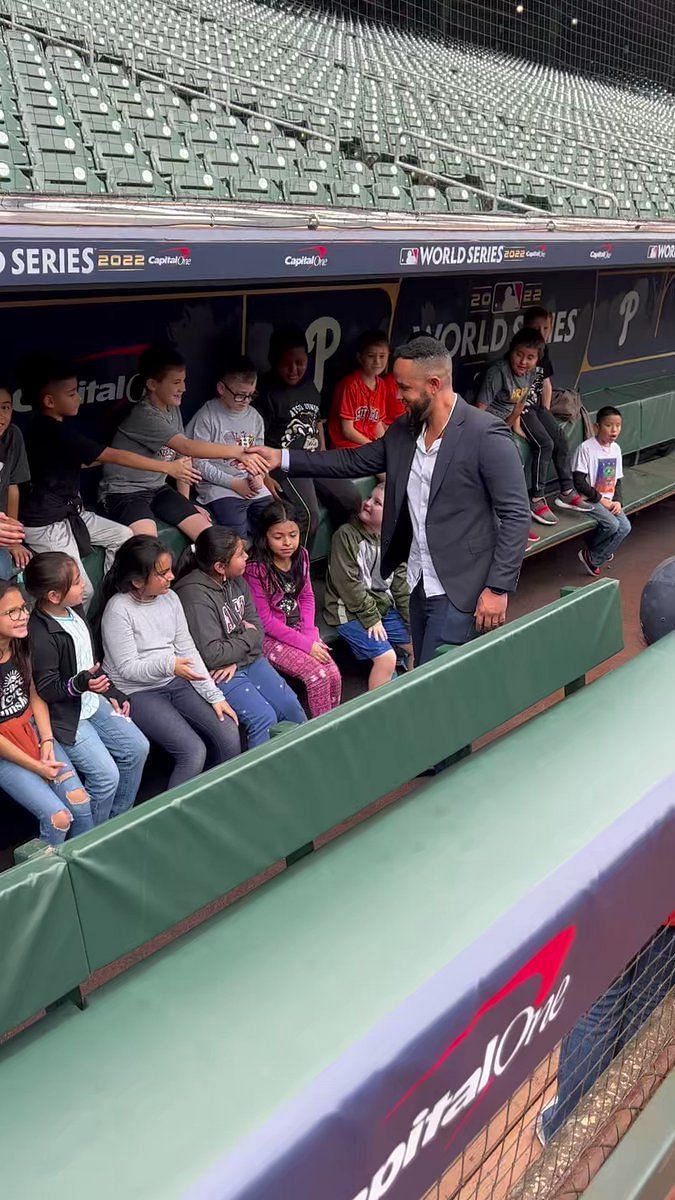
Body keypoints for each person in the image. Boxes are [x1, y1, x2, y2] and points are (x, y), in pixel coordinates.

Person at [250, 337, 531, 666]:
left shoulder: (487, 434)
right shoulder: (404, 430)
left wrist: (498, 588)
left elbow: (515, 515)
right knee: (426, 672)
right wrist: (280, 457)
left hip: (462, 589)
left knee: (438, 683)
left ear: (434, 384)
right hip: (417, 581)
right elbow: (350, 462)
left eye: (404, 388)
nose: (397, 396)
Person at [18, 353, 201, 609]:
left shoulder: (55, 429)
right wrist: (166, 466)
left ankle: (110, 602)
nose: (78, 398)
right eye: (71, 393)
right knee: (80, 590)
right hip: (47, 523)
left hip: (73, 515)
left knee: (124, 536)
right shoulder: (49, 431)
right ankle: (78, 636)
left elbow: (89, 459)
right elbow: (111, 455)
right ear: (49, 400)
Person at [100, 536, 240, 789]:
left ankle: (220, 798)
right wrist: (169, 665)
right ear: (137, 581)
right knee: (192, 751)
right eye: (162, 573)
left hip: (174, 679)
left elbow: (187, 648)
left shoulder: (170, 598)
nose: (171, 577)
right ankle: (177, 820)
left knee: (228, 732)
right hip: (138, 691)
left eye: (170, 570)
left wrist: (214, 696)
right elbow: (128, 668)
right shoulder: (118, 609)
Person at [25, 552, 150, 826]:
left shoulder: (76, 610)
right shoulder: (41, 634)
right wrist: (80, 684)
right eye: (77, 582)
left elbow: (89, 664)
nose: (84, 586)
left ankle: (117, 821)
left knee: (137, 747)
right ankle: (90, 837)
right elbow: (46, 689)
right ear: (54, 596)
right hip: (67, 716)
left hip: (92, 700)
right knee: (106, 778)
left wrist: (111, 690)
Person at [99, 344, 268, 541]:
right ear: (153, 384)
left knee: (210, 538)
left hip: (158, 488)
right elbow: (186, 447)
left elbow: (183, 459)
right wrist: (237, 452)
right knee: (148, 545)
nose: (184, 388)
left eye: (184, 381)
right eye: (176, 382)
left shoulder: (171, 408)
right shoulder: (144, 414)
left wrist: (186, 503)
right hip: (124, 492)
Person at [538, 915, 675, 1144]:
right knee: (643, 1014)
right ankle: (608, 1128)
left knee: (595, 1010)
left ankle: (565, 1131)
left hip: (623, 893)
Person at [174, 527, 307, 746]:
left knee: (291, 706)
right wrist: (247, 638)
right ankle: (263, 779)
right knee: (263, 718)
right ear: (219, 567)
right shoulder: (193, 596)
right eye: (240, 554)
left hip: (244, 661)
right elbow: (213, 655)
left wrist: (236, 656)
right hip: (219, 673)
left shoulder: (237, 581)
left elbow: (258, 628)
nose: (247, 556)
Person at [0, 579, 93, 845]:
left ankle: (85, 870)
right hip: (6, 749)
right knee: (59, 817)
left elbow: (34, 694)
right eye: (11, 612)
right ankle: (49, 885)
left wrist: (47, 740)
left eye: (23, 608)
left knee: (80, 802)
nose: (22, 616)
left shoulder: (21, 643)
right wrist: (38, 766)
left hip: (32, 731)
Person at [255, 325, 360, 548]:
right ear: (274, 361)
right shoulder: (266, 391)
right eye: (286, 364)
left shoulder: (309, 385)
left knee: (352, 498)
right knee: (308, 516)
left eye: (300, 363)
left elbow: (317, 422)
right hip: (284, 464)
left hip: (314, 459)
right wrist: (264, 475)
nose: (294, 370)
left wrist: (323, 455)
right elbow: (255, 439)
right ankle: (297, 575)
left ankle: (341, 562)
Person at [476, 329, 591, 526]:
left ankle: (516, 516)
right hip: (488, 427)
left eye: (530, 357)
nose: (523, 361)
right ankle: (509, 518)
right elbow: (479, 411)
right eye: (519, 354)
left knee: (542, 447)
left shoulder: (531, 374)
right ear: (511, 351)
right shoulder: (498, 372)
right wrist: (490, 437)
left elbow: (519, 405)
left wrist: (516, 429)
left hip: (507, 425)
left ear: (538, 360)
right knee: (512, 461)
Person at [244, 501, 341, 717]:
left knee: (333, 673)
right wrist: (306, 645)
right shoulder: (255, 568)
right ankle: (320, 731)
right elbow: (266, 620)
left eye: (293, 535)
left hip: (299, 630)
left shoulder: (302, 556)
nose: (287, 543)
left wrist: (310, 635)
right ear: (264, 536)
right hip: (269, 637)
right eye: (278, 537)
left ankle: (335, 724)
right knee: (317, 676)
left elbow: (306, 596)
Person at [324, 482, 412, 689]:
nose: (367, 503)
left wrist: (412, 620)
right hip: (348, 610)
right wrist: (371, 617)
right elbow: (348, 584)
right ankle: (382, 714)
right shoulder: (346, 535)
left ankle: (410, 696)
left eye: (377, 503)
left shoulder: (396, 540)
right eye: (370, 498)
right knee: (387, 658)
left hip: (381, 607)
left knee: (418, 642)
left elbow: (400, 586)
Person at [186, 355, 276, 539]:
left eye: (251, 395)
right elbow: (197, 462)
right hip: (219, 487)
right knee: (237, 535)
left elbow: (259, 455)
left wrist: (258, 476)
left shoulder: (255, 417)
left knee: (275, 522)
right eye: (240, 395)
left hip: (251, 484)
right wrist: (233, 483)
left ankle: (263, 567)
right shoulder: (207, 415)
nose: (245, 400)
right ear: (221, 388)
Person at [573, 406, 631, 576]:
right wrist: (601, 499)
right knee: (612, 525)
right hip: (589, 499)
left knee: (625, 527)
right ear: (597, 427)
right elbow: (579, 482)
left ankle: (593, 555)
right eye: (608, 425)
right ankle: (597, 551)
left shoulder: (616, 449)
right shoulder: (586, 448)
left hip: (609, 500)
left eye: (618, 425)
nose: (614, 430)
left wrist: (618, 501)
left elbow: (617, 480)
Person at [327, 329, 388, 449]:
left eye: (382, 356)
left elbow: (377, 425)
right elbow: (347, 430)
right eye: (371, 356)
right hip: (346, 447)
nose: (377, 361)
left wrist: (385, 445)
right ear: (360, 357)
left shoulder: (381, 385)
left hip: (366, 445)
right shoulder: (350, 385)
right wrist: (373, 447)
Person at [0, 385, 31, 580]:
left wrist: (12, 539)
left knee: (5, 572)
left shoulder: (12, 435)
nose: (1, 415)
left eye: (5, 407)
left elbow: (13, 486)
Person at [521, 305, 555, 411]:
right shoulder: (519, 349)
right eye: (536, 328)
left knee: (553, 427)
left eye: (545, 328)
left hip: (534, 406)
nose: (541, 333)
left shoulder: (544, 350)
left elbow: (546, 382)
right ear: (526, 327)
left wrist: (546, 412)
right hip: (521, 407)